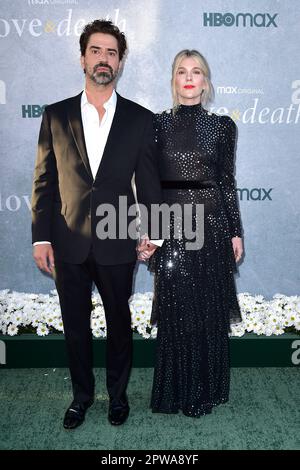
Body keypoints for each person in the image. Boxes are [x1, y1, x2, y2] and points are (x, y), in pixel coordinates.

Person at [31, 19, 161, 429]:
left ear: (120, 62)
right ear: (83, 57)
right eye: (96, 50)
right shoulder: (56, 115)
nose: (103, 59)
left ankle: (118, 397)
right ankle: (81, 397)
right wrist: (40, 239)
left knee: (119, 323)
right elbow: (44, 181)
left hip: (118, 239)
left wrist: (153, 233)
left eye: (111, 52)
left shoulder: (141, 119)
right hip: (67, 241)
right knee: (75, 325)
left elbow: (151, 184)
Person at [138, 50, 243, 417]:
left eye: (196, 72)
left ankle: (203, 391)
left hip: (212, 227)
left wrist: (235, 232)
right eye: (181, 71)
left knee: (207, 311)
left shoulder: (222, 126)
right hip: (171, 227)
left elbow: (227, 183)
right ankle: (175, 391)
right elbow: (148, 183)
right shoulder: (156, 124)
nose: (188, 77)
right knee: (176, 310)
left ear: (205, 81)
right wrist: (149, 231)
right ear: (173, 79)